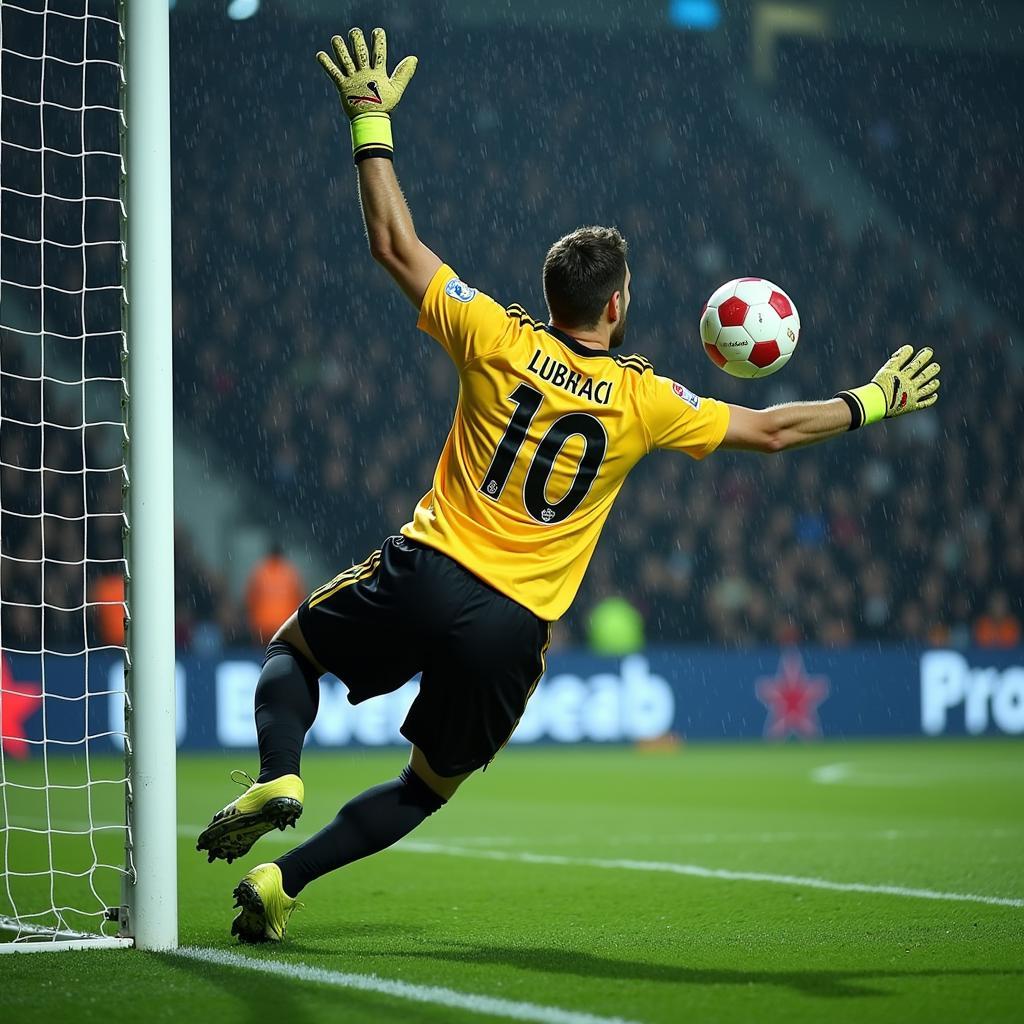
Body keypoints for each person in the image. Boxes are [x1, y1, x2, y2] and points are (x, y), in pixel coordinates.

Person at [197, 27, 941, 943]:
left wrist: (370, 121)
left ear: (550, 296)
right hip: (513, 626)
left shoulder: (496, 334)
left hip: (432, 565)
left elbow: (394, 243)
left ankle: (281, 771)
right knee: (424, 788)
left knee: (295, 654)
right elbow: (774, 431)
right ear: (618, 305)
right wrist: (871, 400)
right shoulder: (645, 398)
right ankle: (283, 881)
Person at [245, 542, 305, 645]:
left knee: (264, 656)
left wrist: (252, 622)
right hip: (285, 625)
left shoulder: (260, 571)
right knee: (281, 654)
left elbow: (250, 600)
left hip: (262, 626)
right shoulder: (290, 572)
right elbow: (300, 600)